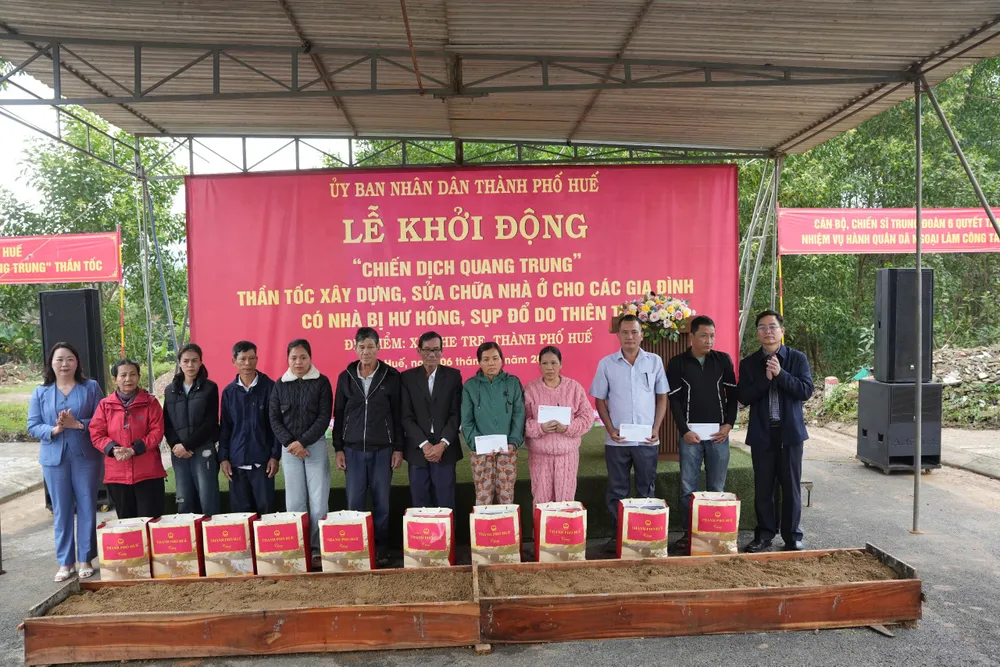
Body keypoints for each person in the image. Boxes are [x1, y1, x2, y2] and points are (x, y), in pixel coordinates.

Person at [27, 342, 105, 581]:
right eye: (59, 359)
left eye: (70, 359)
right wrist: (54, 429)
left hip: (85, 457)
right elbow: (32, 425)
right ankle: (65, 561)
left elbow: (103, 419)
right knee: (61, 510)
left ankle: (86, 558)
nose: (64, 364)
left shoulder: (90, 387)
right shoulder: (40, 392)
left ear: (77, 362)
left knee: (86, 506)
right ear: (51, 363)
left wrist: (78, 424)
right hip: (54, 459)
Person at [738, 310, 814, 553]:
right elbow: (744, 397)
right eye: (762, 327)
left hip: (790, 434)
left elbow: (805, 391)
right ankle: (764, 535)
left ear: (782, 331)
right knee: (764, 487)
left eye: (772, 326)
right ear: (757, 333)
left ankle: (792, 536)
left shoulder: (797, 358)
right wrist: (765, 379)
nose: (768, 331)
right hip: (762, 433)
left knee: (791, 486)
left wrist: (781, 374)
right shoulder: (749, 363)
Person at [590, 314, 668, 544]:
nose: (630, 337)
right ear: (618, 335)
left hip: (646, 440)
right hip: (618, 441)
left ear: (642, 335)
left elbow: (662, 397)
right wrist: (610, 429)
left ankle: (644, 537)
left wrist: (656, 428)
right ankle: (619, 538)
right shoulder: (606, 364)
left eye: (634, 332)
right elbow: (599, 400)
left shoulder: (654, 362)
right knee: (617, 490)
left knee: (646, 489)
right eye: (625, 332)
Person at [666, 315, 738, 551]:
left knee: (717, 488)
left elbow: (732, 396)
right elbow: (674, 401)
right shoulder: (677, 362)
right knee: (689, 488)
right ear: (692, 336)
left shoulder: (723, 360)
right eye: (704, 336)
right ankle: (690, 534)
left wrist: (728, 425)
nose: (709, 340)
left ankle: (713, 534)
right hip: (691, 437)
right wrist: (684, 430)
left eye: (712, 336)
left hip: (719, 436)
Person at [333, 327, 403, 567]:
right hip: (352, 451)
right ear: (355, 348)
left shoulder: (391, 376)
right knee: (355, 504)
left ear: (378, 348)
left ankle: (381, 549)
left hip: (383, 450)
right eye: (361, 347)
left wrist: (398, 448)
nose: (366, 351)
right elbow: (339, 414)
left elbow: (397, 414)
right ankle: (357, 550)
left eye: (370, 346)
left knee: (382, 504)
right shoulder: (345, 377)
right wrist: (338, 448)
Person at [269, 339, 333, 567]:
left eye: (303, 357)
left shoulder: (322, 382)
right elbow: (274, 418)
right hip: (289, 449)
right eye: (294, 358)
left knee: (318, 500)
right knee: (294, 500)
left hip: (314, 446)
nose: (298, 362)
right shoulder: (280, 385)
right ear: (288, 359)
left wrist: (303, 441)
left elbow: (324, 417)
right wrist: (291, 443)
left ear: (310, 358)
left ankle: (316, 548)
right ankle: (298, 548)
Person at [89, 359, 167, 520]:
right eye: (123, 375)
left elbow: (157, 432)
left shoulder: (150, 403)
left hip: (148, 474)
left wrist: (134, 449)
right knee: (127, 525)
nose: (128, 379)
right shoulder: (105, 405)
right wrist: (113, 449)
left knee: (150, 522)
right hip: (117, 475)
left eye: (132, 374)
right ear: (115, 379)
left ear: (138, 377)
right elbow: (96, 433)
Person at [524, 346, 594, 505]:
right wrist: (540, 428)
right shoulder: (531, 389)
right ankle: (542, 523)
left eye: (554, 363)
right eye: (545, 363)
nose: (549, 367)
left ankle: (564, 523)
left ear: (561, 364)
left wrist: (568, 428)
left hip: (567, 455)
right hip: (540, 455)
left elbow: (587, 417)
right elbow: (522, 421)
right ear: (539, 365)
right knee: (541, 501)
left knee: (565, 501)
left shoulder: (574, 388)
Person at [401, 331, 462, 510]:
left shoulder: (453, 376)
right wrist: (425, 445)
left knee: (445, 504)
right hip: (418, 450)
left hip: (445, 450)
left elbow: (456, 414)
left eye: (436, 350)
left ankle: (447, 532)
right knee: (420, 505)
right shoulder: (407, 378)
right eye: (427, 350)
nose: (432, 354)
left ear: (442, 351)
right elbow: (405, 416)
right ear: (419, 351)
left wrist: (442, 444)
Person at [219, 341, 280, 515]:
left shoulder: (270, 387)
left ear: (257, 359)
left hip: (263, 463)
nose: (247, 363)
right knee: (241, 517)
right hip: (237, 464)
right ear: (234, 361)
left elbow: (276, 426)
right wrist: (224, 458)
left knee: (266, 515)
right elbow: (225, 427)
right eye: (243, 359)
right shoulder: (229, 392)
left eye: (251, 358)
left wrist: (275, 456)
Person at [461, 342, 525, 506]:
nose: (491, 363)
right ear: (479, 362)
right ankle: (484, 525)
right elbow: (467, 420)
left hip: (507, 450)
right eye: (486, 359)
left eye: (495, 358)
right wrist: (478, 444)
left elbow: (519, 415)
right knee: (483, 500)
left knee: (506, 499)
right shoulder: (470, 386)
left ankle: (507, 524)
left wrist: (513, 442)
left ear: (502, 360)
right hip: (481, 452)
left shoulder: (512, 383)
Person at [162, 343, 221, 516]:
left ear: (201, 362)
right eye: (186, 361)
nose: (190, 365)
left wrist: (187, 445)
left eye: (194, 361)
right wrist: (176, 445)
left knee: (208, 500)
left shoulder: (210, 387)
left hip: (203, 450)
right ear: (179, 363)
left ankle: (211, 533)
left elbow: (210, 422)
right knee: (184, 500)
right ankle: (188, 534)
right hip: (179, 452)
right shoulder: (170, 390)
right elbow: (167, 421)